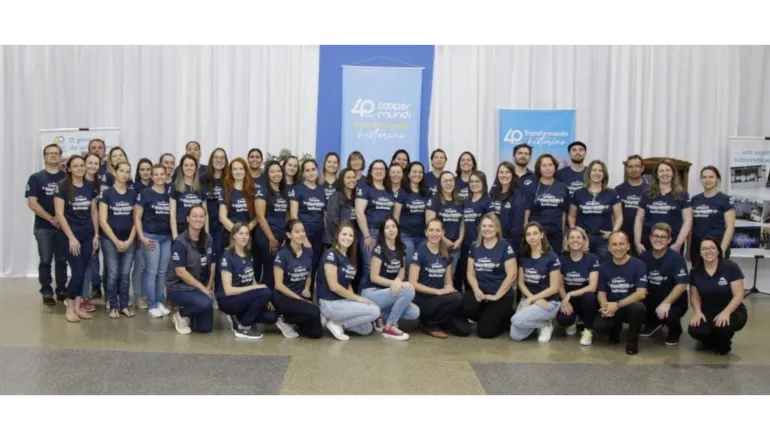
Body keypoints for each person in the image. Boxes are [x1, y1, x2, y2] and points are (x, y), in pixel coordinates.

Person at [217, 222, 283, 340]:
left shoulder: (248, 254)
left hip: (244, 299)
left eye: (246, 234)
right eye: (240, 233)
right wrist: (258, 290)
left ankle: (237, 316)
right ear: (233, 236)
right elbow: (228, 290)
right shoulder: (227, 256)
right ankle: (243, 327)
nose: (244, 237)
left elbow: (251, 278)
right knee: (265, 291)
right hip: (228, 300)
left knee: (271, 317)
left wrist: (262, 295)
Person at [54, 155, 100, 323]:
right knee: (78, 272)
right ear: (69, 168)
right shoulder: (63, 187)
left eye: (82, 165)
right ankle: (69, 309)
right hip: (70, 236)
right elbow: (59, 214)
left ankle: (79, 307)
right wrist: (72, 238)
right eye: (76, 166)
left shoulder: (90, 186)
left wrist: (96, 234)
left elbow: (94, 212)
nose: (80, 168)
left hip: (88, 235)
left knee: (83, 270)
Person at [316, 222, 381, 341]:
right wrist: (358, 299)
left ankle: (331, 322)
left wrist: (354, 300)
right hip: (330, 303)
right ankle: (336, 324)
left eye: (350, 235)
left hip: (342, 302)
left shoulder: (348, 258)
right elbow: (334, 286)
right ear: (337, 235)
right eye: (344, 234)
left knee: (366, 328)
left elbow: (348, 283)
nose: (347, 238)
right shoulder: (331, 254)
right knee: (375, 311)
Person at [360, 215, 420, 341]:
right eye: (387, 227)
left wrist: (399, 280)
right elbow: (374, 277)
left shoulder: (402, 248)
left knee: (414, 312)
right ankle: (390, 326)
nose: (391, 230)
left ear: (398, 229)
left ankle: (379, 314)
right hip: (372, 292)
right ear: (382, 231)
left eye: (393, 226)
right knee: (408, 290)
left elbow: (402, 271)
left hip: (389, 293)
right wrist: (396, 283)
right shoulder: (378, 249)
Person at [409, 218, 469, 339]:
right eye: (431, 230)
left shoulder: (445, 253)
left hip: (439, 300)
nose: (434, 234)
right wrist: (437, 291)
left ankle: (437, 319)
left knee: (464, 330)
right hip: (423, 300)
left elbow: (448, 282)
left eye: (438, 230)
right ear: (426, 233)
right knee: (457, 298)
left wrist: (449, 288)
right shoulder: (420, 252)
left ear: (443, 232)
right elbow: (412, 283)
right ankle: (428, 324)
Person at [687, 237, 748, 355]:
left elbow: (739, 295)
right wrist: (698, 312)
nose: (708, 251)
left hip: (733, 310)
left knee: (722, 329)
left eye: (712, 248)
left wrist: (726, 312)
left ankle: (724, 343)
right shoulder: (695, 271)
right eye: (704, 249)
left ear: (718, 251)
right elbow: (695, 296)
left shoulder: (731, 267)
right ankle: (714, 341)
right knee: (695, 331)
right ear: (699, 252)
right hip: (708, 311)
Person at [463, 213, 517, 339]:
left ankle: (505, 317)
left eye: (491, 226)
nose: (487, 229)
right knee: (465, 306)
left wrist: (497, 296)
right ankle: (488, 315)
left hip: (500, 294)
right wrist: (476, 290)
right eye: (484, 226)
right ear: (480, 228)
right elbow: (470, 273)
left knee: (485, 332)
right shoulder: (474, 246)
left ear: (497, 229)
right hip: (481, 293)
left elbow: (512, 275)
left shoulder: (505, 246)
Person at [26, 143, 67, 305]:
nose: (52, 156)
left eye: (56, 153)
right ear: (44, 157)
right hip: (43, 227)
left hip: (63, 227)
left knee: (62, 260)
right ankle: (47, 290)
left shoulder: (66, 177)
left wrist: (61, 218)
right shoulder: (36, 178)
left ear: (60, 156)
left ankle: (62, 289)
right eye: (49, 153)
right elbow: (32, 202)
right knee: (45, 260)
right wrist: (51, 218)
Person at [594, 231, 648, 355]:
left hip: (629, 306)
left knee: (638, 308)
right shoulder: (603, 267)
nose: (618, 248)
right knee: (599, 327)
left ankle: (632, 341)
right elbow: (601, 292)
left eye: (621, 244)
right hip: (612, 306)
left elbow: (641, 293)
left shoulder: (639, 265)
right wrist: (604, 305)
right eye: (614, 244)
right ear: (609, 248)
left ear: (628, 246)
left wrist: (617, 305)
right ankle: (615, 329)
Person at [509, 222, 563, 342]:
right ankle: (540, 323)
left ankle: (546, 325)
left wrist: (533, 299)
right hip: (530, 298)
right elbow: (521, 283)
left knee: (516, 320)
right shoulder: (524, 256)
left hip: (549, 302)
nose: (532, 237)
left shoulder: (552, 257)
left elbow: (554, 288)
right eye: (528, 234)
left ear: (542, 235)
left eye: (535, 233)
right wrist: (531, 299)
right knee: (515, 336)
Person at [166, 205, 215, 335]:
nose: (198, 219)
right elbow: (180, 272)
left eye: (201, 216)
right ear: (188, 218)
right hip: (179, 287)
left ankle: (191, 309)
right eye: (194, 216)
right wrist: (202, 289)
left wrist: (209, 287)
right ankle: (180, 314)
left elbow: (213, 264)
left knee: (205, 328)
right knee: (204, 304)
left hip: (199, 288)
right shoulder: (180, 242)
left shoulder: (208, 239)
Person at [639, 223, 689, 345]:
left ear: (669, 240)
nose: (658, 240)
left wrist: (667, 302)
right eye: (655, 236)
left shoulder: (676, 258)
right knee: (636, 308)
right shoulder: (644, 257)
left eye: (663, 237)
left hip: (673, 303)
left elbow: (682, 284)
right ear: (650, 238)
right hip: (650, 301)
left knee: (669, 314)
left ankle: (675, 330)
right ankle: (653, 323)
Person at [273, 219, 324, 339]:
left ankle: (291, 320)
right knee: (315, 311)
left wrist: (307, 287)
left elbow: (309, 274)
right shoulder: (282, 254)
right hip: (283, 297)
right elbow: (278, 285)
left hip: (299, 296)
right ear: (289, 235)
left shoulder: (308, 252)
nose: (301, 234)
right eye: (297, 232)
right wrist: (300, 299)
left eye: (302, 231)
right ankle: (283, 318)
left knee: (316, 333)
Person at [98, 161, 137, 318]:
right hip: (109, 240)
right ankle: (113, 305)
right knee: (113, 273)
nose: (124, 174)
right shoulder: (107, 194)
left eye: (127, 172)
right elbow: (102, 220)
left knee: (125, 274)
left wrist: (128, 241)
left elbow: (136, 221)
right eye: (121, 171)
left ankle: (124, 304)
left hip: (129, 240)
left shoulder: (133, 195)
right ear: (115, 172)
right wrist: (116, 241)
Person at [134, 164, 173, 318]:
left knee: (162, 272)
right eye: (155, 174)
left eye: (161, 174)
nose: (159, 177)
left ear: (166, 175)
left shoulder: (170, 194)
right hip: (151, 237)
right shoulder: (145, 193)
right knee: (152, 271)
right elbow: (137, 217)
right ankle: (151, 304)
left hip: (167, 238)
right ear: (151, 176)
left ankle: (158, 301)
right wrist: (141, 236)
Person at [568, 160, 622, 264]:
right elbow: (571, 216)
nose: (597, 173)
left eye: (600, 170)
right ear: (588, 173)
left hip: (603, 238)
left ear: (604, 174)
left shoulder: (612, 193)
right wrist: (574, 229)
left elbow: (619, 217)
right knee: (582, 268)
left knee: (603, 269)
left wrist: (613, 234)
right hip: (582, 239)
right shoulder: (578, 193)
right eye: (594, 170)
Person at [634, 158, 692, 255]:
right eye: (661, 171)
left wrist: (678, 244)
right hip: (649, 244)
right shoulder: (647, 194)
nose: (664, 173)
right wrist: (637, 242)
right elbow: (639, 219)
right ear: (657, 174)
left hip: (672, 245)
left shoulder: (682, 195)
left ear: (673, 173)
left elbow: (688, 220)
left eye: (667, 170)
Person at [555, 227, 599, 346]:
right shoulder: (561, 259)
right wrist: (565, 299)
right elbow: (560, 285)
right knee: (563, 320)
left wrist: (570, 294)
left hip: (585, 299)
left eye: (579, 237)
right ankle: (572, 321)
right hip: (569, 300)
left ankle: (588, 330)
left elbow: (593, 287)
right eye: (572, 237)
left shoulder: (592, 258)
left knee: (590, 297)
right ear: (567, 241)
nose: (575, 240)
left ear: (584, 240)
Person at [355, 160, 396, 284]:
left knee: (382, 269)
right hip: (371, 233)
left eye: (382, 169)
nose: (379, 171)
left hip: (387, 235)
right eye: (376, 169)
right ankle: (363, 299)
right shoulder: (365, 187)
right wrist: (367, 235)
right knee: (369, 269)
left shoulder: (389, 190)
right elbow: (359, 212)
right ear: (371, 172)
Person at [289, 159, 328, 291]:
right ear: (303, 173)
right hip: (302, 234)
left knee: (314, 266)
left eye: (313, 170)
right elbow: (294, 215)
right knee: (300, 267)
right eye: (307, 170)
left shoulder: (322, 190)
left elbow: (325, 214)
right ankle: (296, 296)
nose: (311, 173)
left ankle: (309, 296)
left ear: (317, 171)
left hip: (319, 234)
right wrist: (303, 237)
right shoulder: (298, 189)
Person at [688, 166, 735, 266]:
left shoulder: (725, 199)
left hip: (716, 247)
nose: (707, 180)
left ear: (717, 179)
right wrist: (688, 250)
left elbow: (730, 227)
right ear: (701, 179)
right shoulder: (695, 200)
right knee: (697, 279)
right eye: (704, 177)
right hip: (697, 248)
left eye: (711, 177)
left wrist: (721, 250)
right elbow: (691, 227)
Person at [254, 160, 289, 289]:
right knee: (269, 270)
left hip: (280, 236)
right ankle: (264, 299)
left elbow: (285, 216)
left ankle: (272, 300)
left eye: (279, 171)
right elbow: (260, 216)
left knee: (277, 270)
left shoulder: (283, 192)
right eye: (272, 171)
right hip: (267, 237)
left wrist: (285, 236)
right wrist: (271, 238)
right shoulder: (262, 191)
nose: (276, 174)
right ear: (267, 174)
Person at [525, 154, 569, 254]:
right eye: (544, 165)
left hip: (555, 233)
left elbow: (563, 213)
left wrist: (562, 233)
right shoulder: (532, 186)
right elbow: (526, 211)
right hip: (536, 233)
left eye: (550, 165)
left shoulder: (562, 187)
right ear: (539, 168)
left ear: (555, 168)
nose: (547, 168)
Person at [425, 171, 465, 281]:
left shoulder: (460, 201)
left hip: (455, 247)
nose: (448, 183)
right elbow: (429, 224)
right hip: (438, 245)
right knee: (436, 276)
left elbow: (462, 223)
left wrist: (460, 239)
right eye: (445, 181)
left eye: (451, 180)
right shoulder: (434, 200)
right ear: (440, 184)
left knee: (450, 277)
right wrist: (444, 240)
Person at [394, 161, 430, 263]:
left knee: (421, 264)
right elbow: (396, 216)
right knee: (408, 264)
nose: (417, 174)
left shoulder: (426, 192)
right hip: (406, 235)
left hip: (423, 236)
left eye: (420, 172)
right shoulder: (402, 192)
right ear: (408, 174)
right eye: (414, 172)